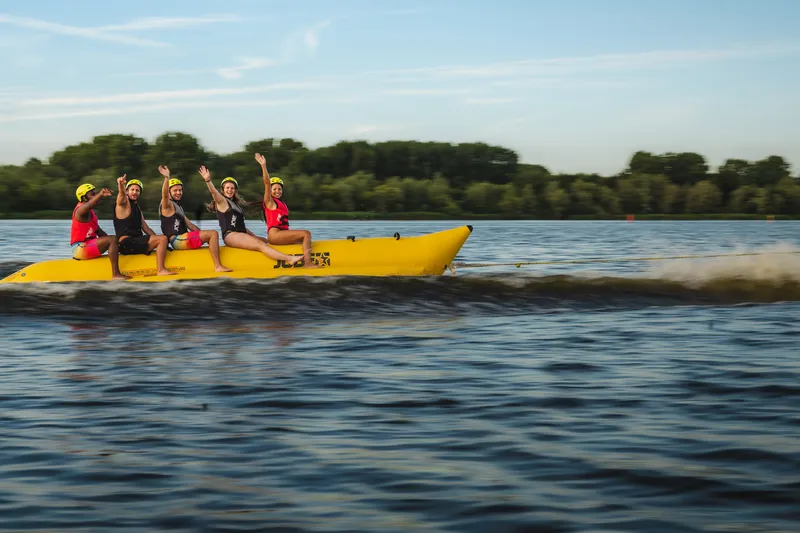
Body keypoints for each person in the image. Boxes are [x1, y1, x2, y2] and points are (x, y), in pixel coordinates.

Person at [200, 166, 302, 266]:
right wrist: (208, 180)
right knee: (260, 245)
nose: (230, 190)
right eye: (227, 188)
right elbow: (214, 192)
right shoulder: (222, 201)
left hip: (241, 234)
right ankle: (289, 259)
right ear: (223, 189)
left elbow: (241, 226)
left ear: (235, 190)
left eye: (232, 188)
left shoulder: (236, 206)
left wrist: (253, 235)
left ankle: (278, 257)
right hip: (230, 235)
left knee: (266, 241)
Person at [157, 165, 232, 273]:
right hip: (177, 240)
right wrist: (166, 178)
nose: (178, 193)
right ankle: (218, 266)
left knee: (210, 235)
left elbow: (191, 226)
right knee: (213, 234)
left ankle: (214, 255)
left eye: (180, 190)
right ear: (169, 192)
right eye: (175, 190)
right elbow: (164, 195)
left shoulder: (178, 208)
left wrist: (205, 238)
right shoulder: (166, 205)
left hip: (183, 238)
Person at [255, 153, 318, 267]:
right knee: (306, 234)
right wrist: (263, 166)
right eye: (274, 189)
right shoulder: (270, 202)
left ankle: (301, 257)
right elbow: (267, 183)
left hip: (281, 234)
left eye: (279, 189)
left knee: (302, 238)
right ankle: (308, 263)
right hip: (275, 235)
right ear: (270, 190)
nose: (277, 191)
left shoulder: (282, 203)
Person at [113, 174, 175, 276]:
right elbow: (121, 195)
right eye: (132, 190)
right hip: (126, 243)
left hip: (135, 241)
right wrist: (121, 185)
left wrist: (162, 243)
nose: (135, 192)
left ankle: (160, 259)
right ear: (127, 191)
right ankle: (161, 270)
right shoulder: (122, 204)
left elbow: (145, 227)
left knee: (163, 239)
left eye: (137, 190)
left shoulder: (137, 207)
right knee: (162, 239)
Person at [71, 183, 129, 280]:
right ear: (84, 198)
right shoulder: (80, 211)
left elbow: (99, 232)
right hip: (79, 248)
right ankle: (116, 274)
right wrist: (100, 194)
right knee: (112, 239)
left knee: (113, 239)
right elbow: (89, 205)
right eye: (92, 194)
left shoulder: (91, 213)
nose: (95, 196)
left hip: (88, 245)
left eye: (95, 193)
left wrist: (116, 245)